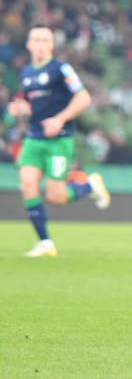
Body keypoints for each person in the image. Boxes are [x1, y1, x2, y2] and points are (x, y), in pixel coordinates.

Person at [8, 27, 110, 257]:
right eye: (36, 40)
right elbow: (30, 105)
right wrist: (22, 110)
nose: (41, 44)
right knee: (27, 185)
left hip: (59, 140)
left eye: (45, 40)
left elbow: (83, 97)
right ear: (28, 45)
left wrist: (60, 119)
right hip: (34, 138)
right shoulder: (25, 72)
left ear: (52, 45)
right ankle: (45, 242)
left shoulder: (61, 69)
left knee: (56, 197)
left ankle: (89, 186)